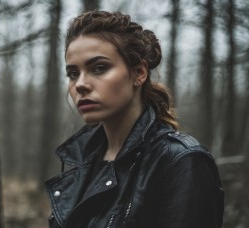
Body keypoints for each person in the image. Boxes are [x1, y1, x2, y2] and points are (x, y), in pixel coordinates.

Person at [44, 10, 224, 228]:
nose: (80, 84)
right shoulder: (83, 160)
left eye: (99, 68)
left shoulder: (180, 162)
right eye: (73, 73)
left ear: (139, 72)